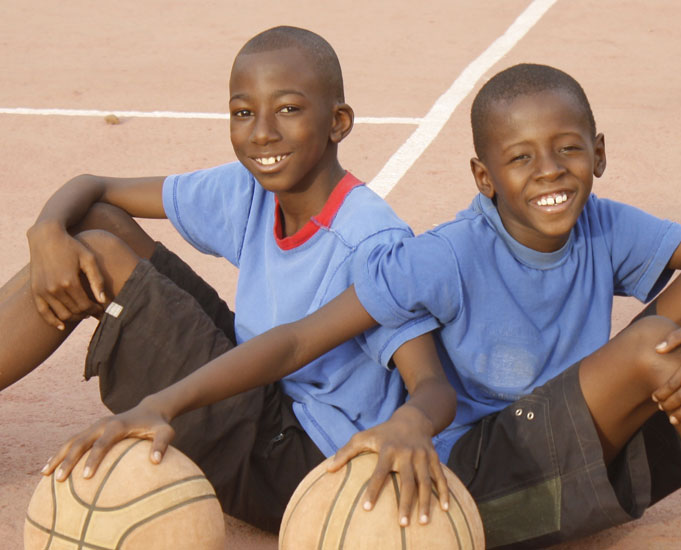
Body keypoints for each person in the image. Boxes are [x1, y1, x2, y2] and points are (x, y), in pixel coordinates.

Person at [45, 62, 681, 546]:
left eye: (568, 150)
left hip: (570, 429)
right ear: (484, 176)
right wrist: (164, 403)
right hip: (492, 469)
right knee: (657, 350)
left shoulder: (607, 223)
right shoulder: (438, 256)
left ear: (599, 154)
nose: (549, 171)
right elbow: (297, 342)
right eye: (521, 158)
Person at [2, 26, 455, 532]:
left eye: (288, 109)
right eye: (244, 113)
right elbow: (97, 188)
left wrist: (407, 429)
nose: (262, 132)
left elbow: (431, 384)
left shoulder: (372, 241)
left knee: (103, 257)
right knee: (98, 225)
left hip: (301, 460)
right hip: (263, 397)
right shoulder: (252, 189)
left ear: (338, 122)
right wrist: (45, 231)